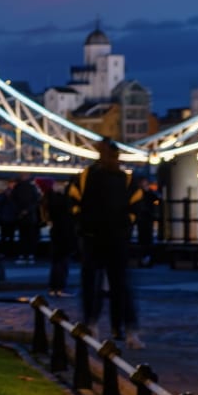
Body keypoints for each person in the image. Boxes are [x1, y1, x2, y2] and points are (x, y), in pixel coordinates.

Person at [72, 138, 137, 345]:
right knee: (100, 285)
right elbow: (73, 202)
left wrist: (125, 224)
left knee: (116, 285)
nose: (111, 157)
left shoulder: (123, 179)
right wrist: (83, 224)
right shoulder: (88, 177)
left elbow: (137, 205)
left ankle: (118, 328)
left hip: (109, 237)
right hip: (96, 237)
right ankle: (99, 325)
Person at [45, 180, 77, 297]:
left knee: (56, 262)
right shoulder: (65, 201)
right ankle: (60, 287)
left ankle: (53, 287)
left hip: (56, 233)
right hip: (65, 234)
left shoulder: (51, 200)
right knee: (63, 262)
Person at [13, 177, 43, 262]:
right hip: (31, 218)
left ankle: (23, 254)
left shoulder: (18, 188)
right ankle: (30, 254)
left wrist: (20, 211)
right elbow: (36, 202)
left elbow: (14, 200)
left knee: (23, 237)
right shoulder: (33, 189)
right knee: (30, 237)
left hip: (22, 217)